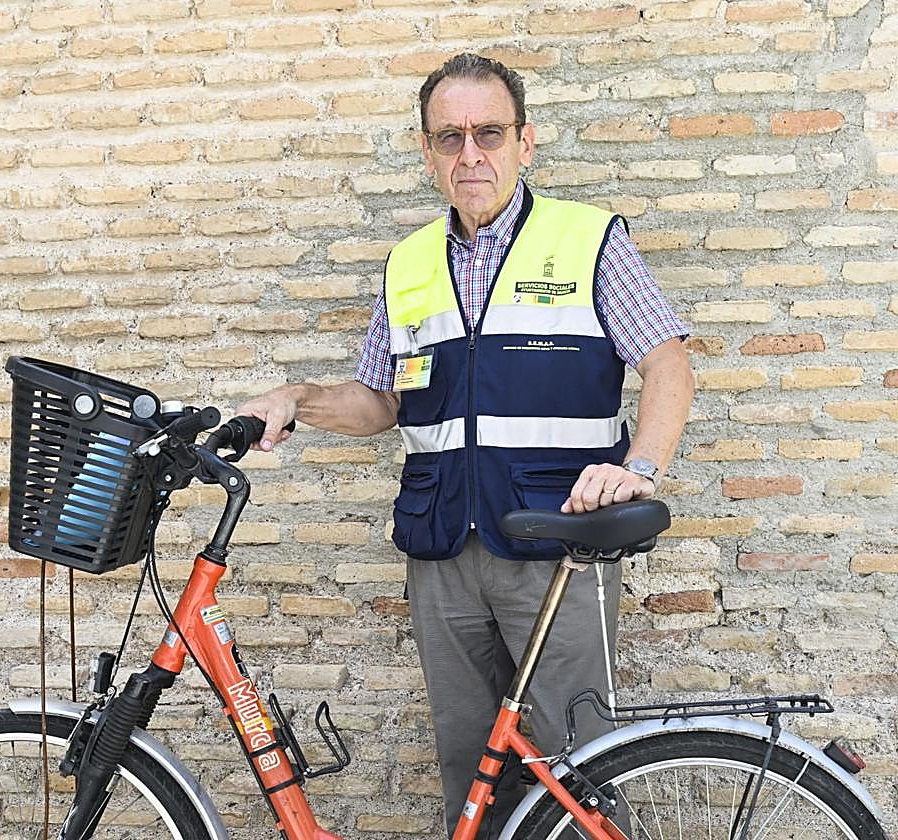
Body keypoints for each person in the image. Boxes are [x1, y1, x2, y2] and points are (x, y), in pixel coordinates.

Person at [237, 53, 694, 837]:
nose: (470, 154)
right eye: (450, 138)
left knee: (575, 763)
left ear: (526, 142)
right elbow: (381, 400)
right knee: (470, 765)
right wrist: (299, 400)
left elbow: (668, 364)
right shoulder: (409, 263)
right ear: (427, 152)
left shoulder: (588, 240)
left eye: (489, 132)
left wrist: (638, 470)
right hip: (443, 550)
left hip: (557, 546)